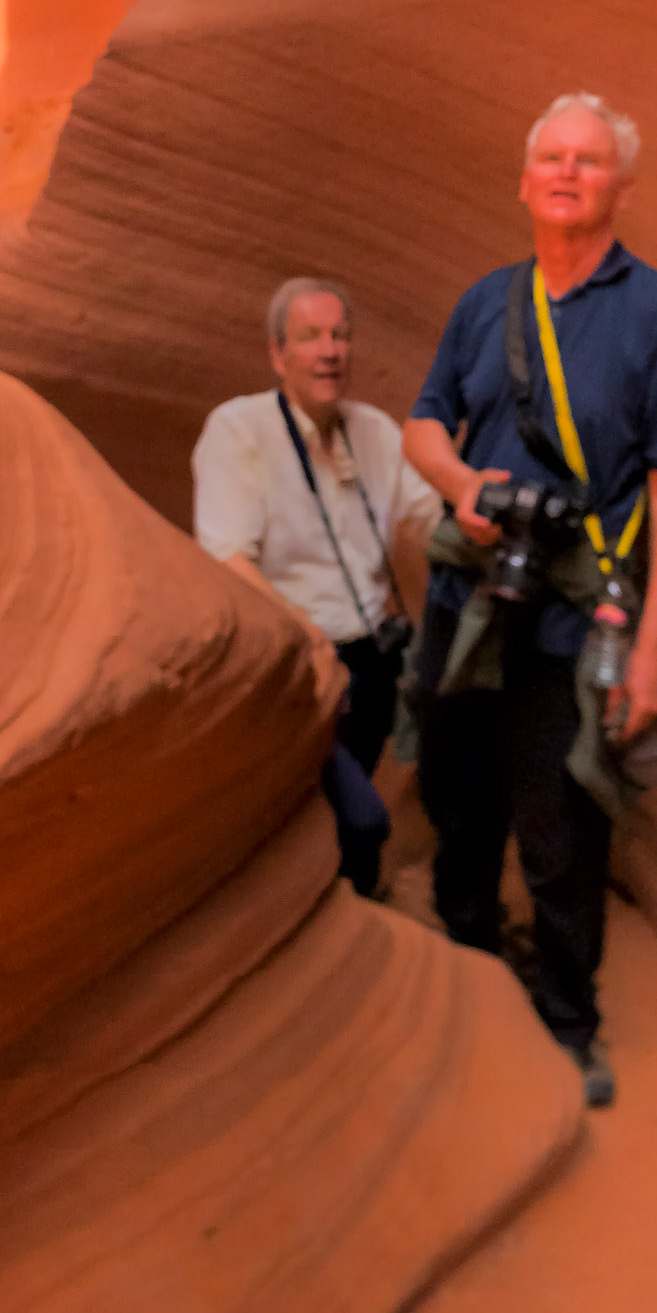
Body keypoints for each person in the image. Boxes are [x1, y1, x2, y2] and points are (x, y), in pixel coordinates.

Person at [403, 93, 657, 1109]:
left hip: (570, 614)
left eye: (588, 161)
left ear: (621, 188)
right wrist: (467, 489)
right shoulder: (486, 303)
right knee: (458, 795)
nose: (565, 172)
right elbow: (424, 424)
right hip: (471, 597)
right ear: (523, 181)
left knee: (562, 828)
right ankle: (465, 951)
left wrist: (650, 650)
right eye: (550, 157)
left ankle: (566, 1021)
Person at [192, 276, 437, 896]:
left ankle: (347, 923)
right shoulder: (240, 431)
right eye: (310, 338)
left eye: (340, 335)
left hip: (375, 663)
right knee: (358, 822)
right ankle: (334, 938)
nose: (330, 351)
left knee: (335, 818)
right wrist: (305, 636)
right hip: (304, 667)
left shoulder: (374, 432)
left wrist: (481, 506)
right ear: (278, 355)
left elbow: (431, 520)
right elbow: (224, 555)